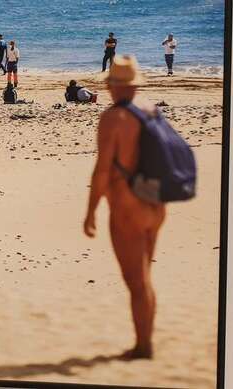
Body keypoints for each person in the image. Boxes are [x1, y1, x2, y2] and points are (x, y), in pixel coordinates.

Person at [83, 55, 162, 360]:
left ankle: (143, 348)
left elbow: (103, 170)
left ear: (113, 86)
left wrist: (91, 211)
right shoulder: (151, 110)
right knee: (144, 277)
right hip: (156, 203)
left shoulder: (113, 118)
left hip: (128, 208)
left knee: (137, 282)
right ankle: (145, 342)